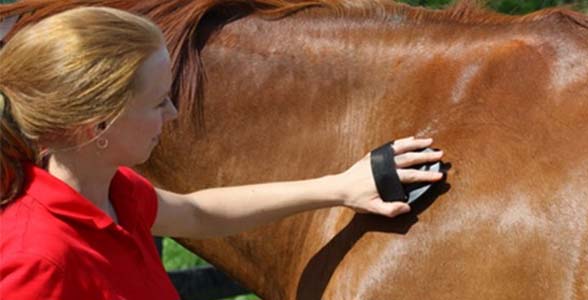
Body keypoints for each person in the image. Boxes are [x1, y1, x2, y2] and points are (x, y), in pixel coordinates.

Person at [0, 7, 444, 299]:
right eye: (158, 102)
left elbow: (196, 212)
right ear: (98, 125)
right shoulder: (37, 260)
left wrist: (340, 187)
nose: (172, 113)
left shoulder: (110, 193)